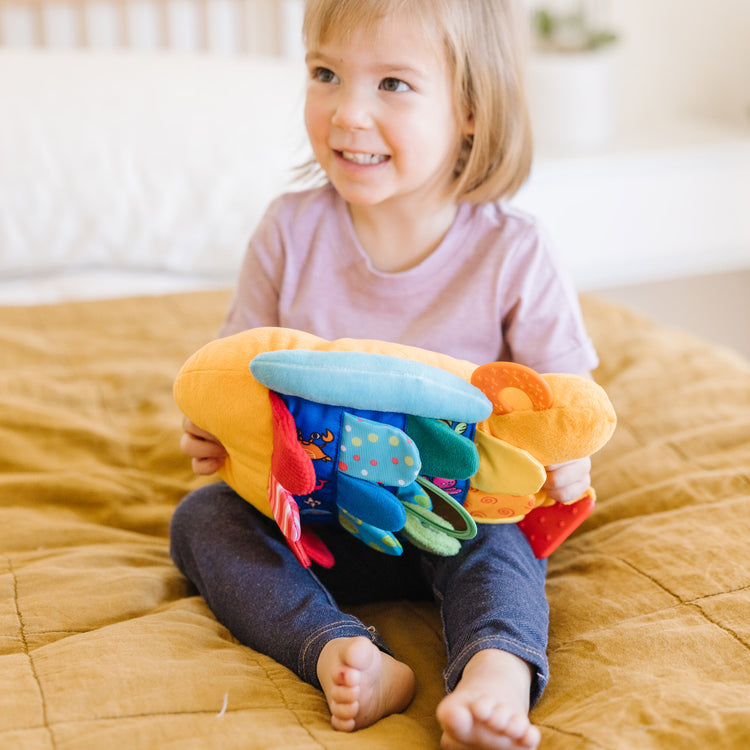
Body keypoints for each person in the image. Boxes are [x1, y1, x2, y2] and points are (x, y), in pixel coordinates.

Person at [170, 1, 598, 748]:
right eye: (326, 74)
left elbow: (567, 406)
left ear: (470, 109)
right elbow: (235, 378)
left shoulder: (513, 250)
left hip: (451, 512)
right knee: (201, 519)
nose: (348, 113)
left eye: (393, 84)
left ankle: (496, 672)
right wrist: (216, 438)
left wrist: (570, 461)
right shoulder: (289, 230)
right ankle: (341, 650)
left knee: (506, 544)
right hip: (311, 515)